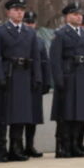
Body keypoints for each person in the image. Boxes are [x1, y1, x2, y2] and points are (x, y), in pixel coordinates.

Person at [0, 0, 42, 162]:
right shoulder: (0, 31)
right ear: (8, 12)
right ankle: (1, 149)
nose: (19, 13)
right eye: (16, 10)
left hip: (23, 74)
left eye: (21, 10)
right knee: (2, 114)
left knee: (20, 113)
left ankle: (15, 148)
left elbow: (35, 57)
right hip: (7, 73)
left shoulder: (30, 32)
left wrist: (37, 77)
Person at [50, 2, 84, 158]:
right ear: (67, 17)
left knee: (81, 113)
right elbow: (55, 59)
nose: (78, 17)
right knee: (66, 113)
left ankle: (77, 144)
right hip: (68, 75)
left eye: (80, 14)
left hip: (83, 75)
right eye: (75, 14)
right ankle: (63, 146)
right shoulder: (61, 34)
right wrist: (59, 79)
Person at [22, 11, 50, 158]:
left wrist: (46, 81)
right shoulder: (19, 38)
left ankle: (29, 145)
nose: (30, 25)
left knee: (33, 117)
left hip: (35, 82)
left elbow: (45, 62)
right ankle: (17, 146)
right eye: (27, 22)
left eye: (32, 23)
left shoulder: (39, 41)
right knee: (20, 116)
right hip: (21, 82)